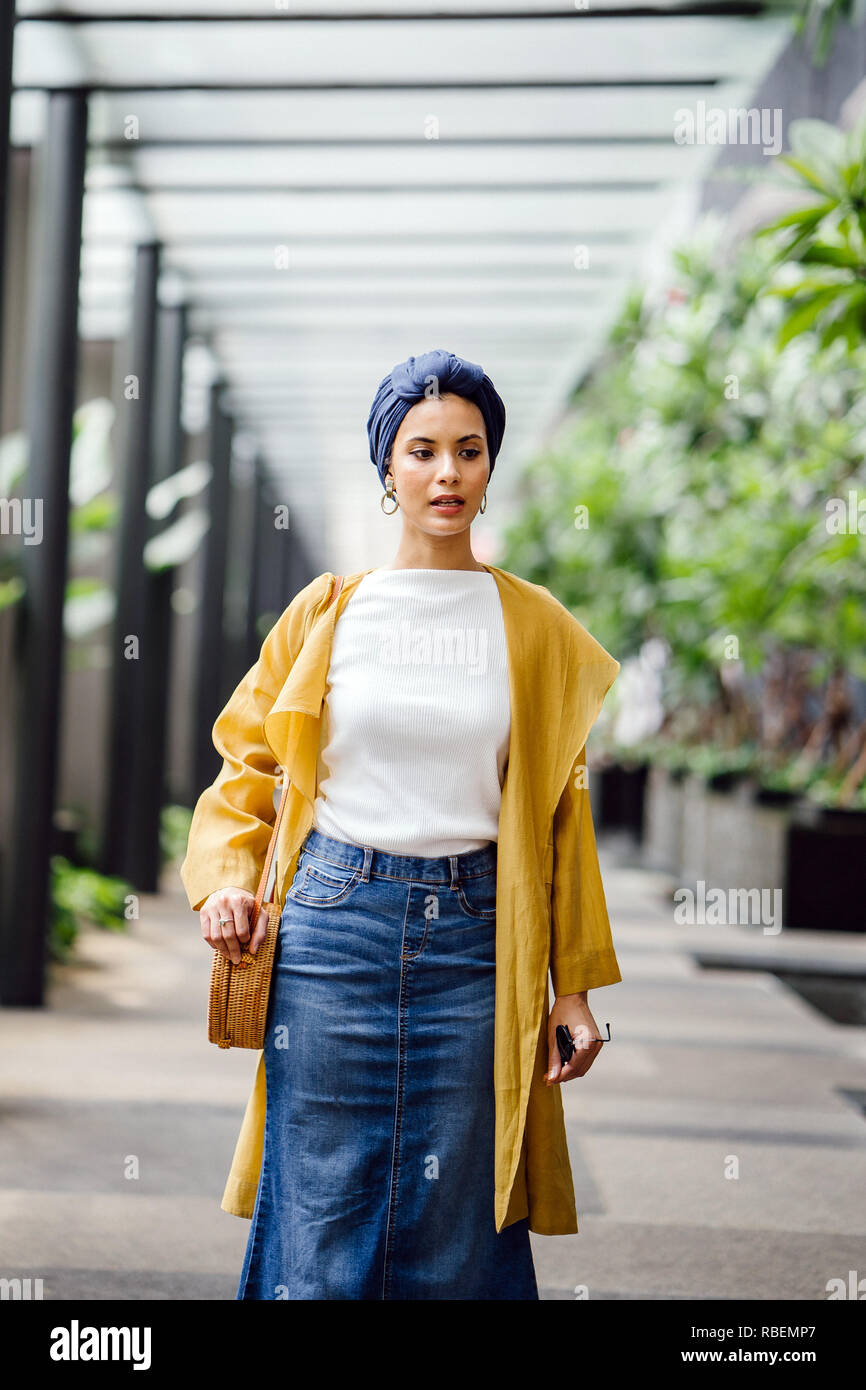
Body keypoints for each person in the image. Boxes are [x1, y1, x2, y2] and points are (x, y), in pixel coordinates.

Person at [180, 348, 623, 1300]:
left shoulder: (536, 628)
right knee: (323, 1194)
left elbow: (561, 817)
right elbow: (248, 761)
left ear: (490, 466)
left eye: (469, 450)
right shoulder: (331, 614)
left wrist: (573, 988)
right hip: (333, 928)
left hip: (479, 940)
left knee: (461, 1205)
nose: (448, 473)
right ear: (388, 468)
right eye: (422, 451)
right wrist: (226, 878)